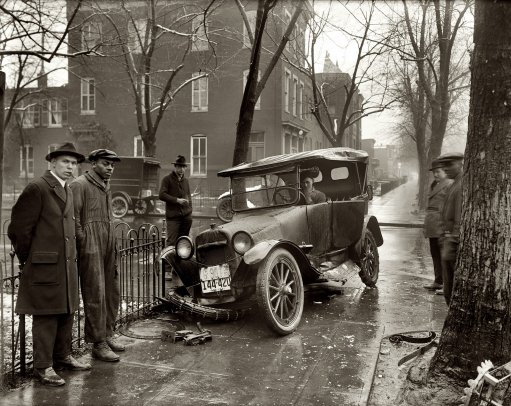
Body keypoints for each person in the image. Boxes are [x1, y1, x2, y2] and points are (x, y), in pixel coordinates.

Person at [8, 142, 90, 386]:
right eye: (65, 161)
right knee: (46, 316)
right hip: (45, 265)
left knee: (66, 310)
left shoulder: (68, 189)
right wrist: (31, 258)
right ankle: (43, 367)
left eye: (74, 163)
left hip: (65, 265)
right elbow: (18, 230)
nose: (70, 167)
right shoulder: (38, 188)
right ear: (52, 162)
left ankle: (62, 356)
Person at [70, 149, 124, 362]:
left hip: (108, 242)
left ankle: (107, 333)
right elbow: (73, 218)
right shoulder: (79, 185)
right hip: (90, 245)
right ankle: (98, 343)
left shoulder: (105, 184)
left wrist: (111, 240)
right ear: (93, 163)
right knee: (95, 293)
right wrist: (84, 241)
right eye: (105, 163)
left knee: (112, 291)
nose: (110, 168)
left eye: (112, 164)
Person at [437, 152, 464, 305]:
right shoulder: (454, 183)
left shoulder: (460, 185)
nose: (445, 168)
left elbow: (459, 218)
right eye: (444, 165)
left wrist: (452, 240)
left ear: (461, 164)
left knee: (452, 288)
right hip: (447, 240)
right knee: (448, 287)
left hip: (452, 243)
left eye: (450, 164)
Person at [423, 158, 452, 293]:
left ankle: (447, 285)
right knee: (435, 253)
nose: (435, 174)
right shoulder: (435, 184)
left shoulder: (449, 184)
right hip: (432, 224)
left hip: (441, 223)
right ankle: (438, 281)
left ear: (445, 171)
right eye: (434, 172)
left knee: (444, 256)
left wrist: (447, 226)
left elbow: (450, 207)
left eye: (438, 171)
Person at [159, 155, 193, 246]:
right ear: (175, 167)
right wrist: (177, 200)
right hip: (173, 218)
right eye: (179, 167)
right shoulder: (167, 179)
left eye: (183, 167)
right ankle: (169, 260)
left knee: (183, 242)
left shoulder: (186, 181)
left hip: (186, 218)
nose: (181, 169)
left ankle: (181, 260)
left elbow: (189, 197)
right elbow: (161, 195)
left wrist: (189, 212)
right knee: (172, 243)